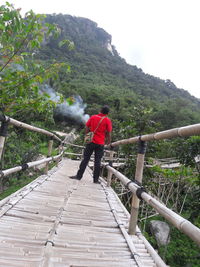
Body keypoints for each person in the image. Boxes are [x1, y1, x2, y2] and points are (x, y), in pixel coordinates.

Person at [70, 105, 112, 183]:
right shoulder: (107, 120)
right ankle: (95, 180)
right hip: (100, 143)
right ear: (107, 113)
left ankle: (79, 176)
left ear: (100, 110)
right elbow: (109, 133)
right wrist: (108, 142)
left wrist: (87, 136)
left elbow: (86, 127)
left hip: (91, 142)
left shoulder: (93, 117)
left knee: (85, 159)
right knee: (97, 161)